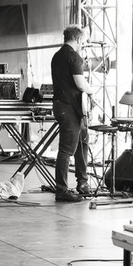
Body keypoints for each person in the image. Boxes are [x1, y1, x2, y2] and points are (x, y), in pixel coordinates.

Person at [51, 24, 93, 202]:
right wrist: (92, 91)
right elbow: (81, 84)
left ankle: (82, 182)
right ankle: (61, 190)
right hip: (69, 107)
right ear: (77, 39)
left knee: (82, 141)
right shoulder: (73, 57)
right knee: (67, 149)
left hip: (65, 106)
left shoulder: (57, 56)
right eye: (82, 41)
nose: (82, 44)